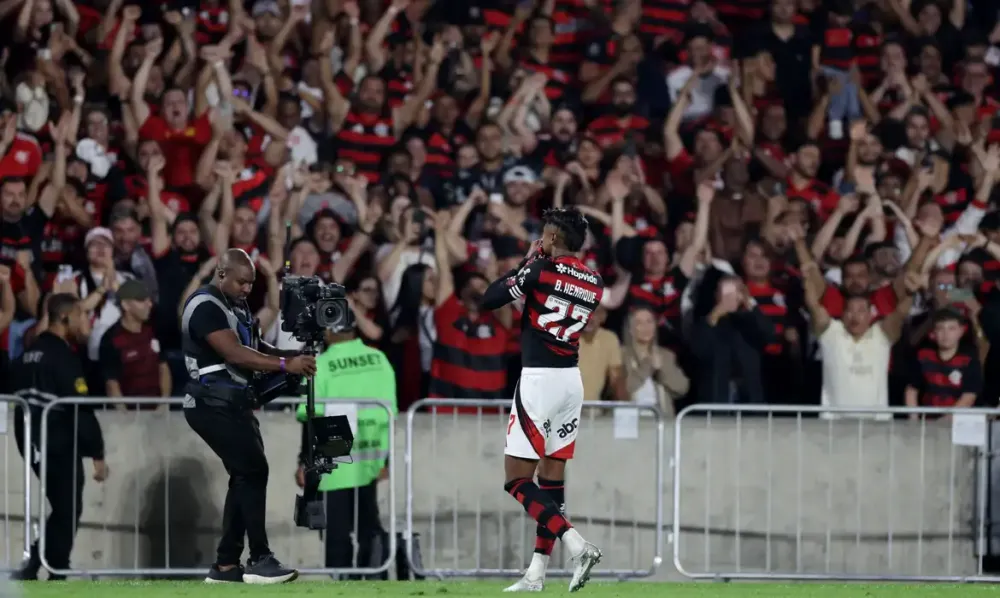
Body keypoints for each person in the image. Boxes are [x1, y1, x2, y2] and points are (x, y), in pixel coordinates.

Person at [480, 207, 605, 593]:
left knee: (516, 480)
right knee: (552, 485)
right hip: (571, 381)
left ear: (551, 239)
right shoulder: (596, 282)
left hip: (538, 380)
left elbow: (490, 298)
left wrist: (528, 261)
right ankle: (536, 573)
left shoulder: (539, 270)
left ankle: (575, 543)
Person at [180, 248, 316, 584]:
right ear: (222, 273)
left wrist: (291, 356)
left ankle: (226, 566)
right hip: (211, 403)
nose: (246, 289)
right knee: (253, 470)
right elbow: (235, 353)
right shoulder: (204, 306)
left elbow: (255, 346)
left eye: (251, 284)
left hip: (231, 403)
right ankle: (258, 559)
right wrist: (286, 365)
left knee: (245, 475)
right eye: (242, 282)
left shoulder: (234, 305)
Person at [9, 293, 108, 581]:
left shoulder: (27, 353)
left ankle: (44, 564)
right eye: (80, 316)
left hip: (32, 441)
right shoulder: (62, 356)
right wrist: (97, 452)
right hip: (57, 442)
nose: (84, 323)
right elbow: (79, 409)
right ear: (65, 318)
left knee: (64, 506)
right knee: (67, 506)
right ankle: (52, 567)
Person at [294, 318, 396, 578]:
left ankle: (342, 585)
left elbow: (311, 415)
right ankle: (374, 581)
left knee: (337, 532)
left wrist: (304, 461)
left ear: (327, 331)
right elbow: (390, 415)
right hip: (372, 456)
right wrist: (386, 462)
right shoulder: (379, 359)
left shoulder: (322, 364)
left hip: (336, 451)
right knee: (369, 528)